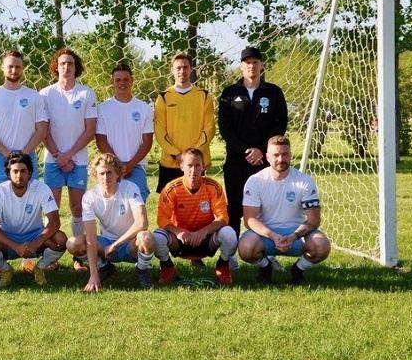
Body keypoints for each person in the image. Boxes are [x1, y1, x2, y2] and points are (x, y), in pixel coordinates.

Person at [238, 135, 331, 285]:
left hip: (296, 235)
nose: (281, 159)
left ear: (291, 155)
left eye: (285, 154)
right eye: (276, 155)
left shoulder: (305, 181)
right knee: (246, 248)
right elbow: (250, 220)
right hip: (266, 235)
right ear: (267, 157)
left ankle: (298, 270)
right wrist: (273, 236)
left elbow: (314, 220)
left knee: (322, 245)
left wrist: (294, 236)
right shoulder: (255, 181)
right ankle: (265, 267)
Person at [218, 47, 288, 234]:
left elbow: (280, 125)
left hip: (264, 161)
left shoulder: (273, 92)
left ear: (261, 65)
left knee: (265, 208)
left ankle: (266, 247)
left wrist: (261, 150)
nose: (251, 66)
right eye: (247, 63)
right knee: (234, 208)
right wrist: (246, 151)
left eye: (255, 62)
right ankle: (231, 249)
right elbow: (225, 128)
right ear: (241, 66)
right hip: (236, 161)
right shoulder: (229, 93)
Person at [39, 48, 97, 272]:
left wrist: (69, 155)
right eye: (62, 63)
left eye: (70, 63)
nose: (66, 67)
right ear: (56, 67)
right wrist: (58, 156)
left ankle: (79, 256)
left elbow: (90, 130)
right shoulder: (45, 94)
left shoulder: (86, 94)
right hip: (52, 161)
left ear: (76, 67)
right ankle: (50, 255)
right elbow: (43, 130)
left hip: (78, 161)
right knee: (51, 208)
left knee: (77, 208)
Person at [68, 153, 156, 291]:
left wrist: (115, 245)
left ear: (117, 173)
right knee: (73, 243)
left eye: (109, 172)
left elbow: (142, 223)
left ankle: (142, 270)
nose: (105, 177)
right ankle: (104, 267)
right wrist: (93, 275)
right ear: (95, 175)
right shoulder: (89, 197)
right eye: (101, 173)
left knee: (147, 238)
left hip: (130, 244)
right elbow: (90, 238)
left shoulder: (130, 188)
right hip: (106, 245)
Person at [152, 148, 237, 285]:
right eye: (189, 165)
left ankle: (223, 265)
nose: (193, 170)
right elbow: (162, 219)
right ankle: (167, 266)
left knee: (229, 234)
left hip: (206, 239)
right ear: (181, 166)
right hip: (180, 240)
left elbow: (223, 217)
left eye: (197, 165)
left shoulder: (213, 187)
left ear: (203, 167)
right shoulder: (171, 188)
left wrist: (204, 232)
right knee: (156, 237)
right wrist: (178, 232)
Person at [0, 154, 66, 287]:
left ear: (29, 173)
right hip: (8, 238)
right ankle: (6, 270)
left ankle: (40, 268)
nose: (19, 175)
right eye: (15, 171)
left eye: (23, 171)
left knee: (60, 240)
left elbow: (55, 222)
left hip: (34, 236)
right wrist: (15, 246)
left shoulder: (41, 188)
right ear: (8, 174)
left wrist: (35, 243)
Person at [0, 49, 48, 197]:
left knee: (31, 200)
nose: (14, 70)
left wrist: (24, 154)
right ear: (2, 67)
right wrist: (7, 153)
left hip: (28, 156)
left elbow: (42, 130)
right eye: (10, 66)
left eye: (18, 66)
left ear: (23, 68)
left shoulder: (34, 96)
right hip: (0, 157)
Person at [153, 52, 215, 194]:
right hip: (171, 162)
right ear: (172, 70)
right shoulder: (163, 97)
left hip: (197, 163)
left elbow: (209, 128)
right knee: (169, 204)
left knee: (197, 203)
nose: (182, 71)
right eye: (178, 68)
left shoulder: (204, 96)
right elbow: (160, 131)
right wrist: (177, 155)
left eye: (185, 67)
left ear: (191, 69)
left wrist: (192, 156)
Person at [95, 63, 153, 201]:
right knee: (112, 206)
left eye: (126, 79)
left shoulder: (144, 108)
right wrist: (117, 165)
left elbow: (147, 142)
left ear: (132, 80)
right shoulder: (102, 108)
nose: (122, 83)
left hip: (136, 166)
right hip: (111, 167)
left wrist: (130, 165)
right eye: (118, 80)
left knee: (137, 206)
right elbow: (101, 140)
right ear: (112, 82)